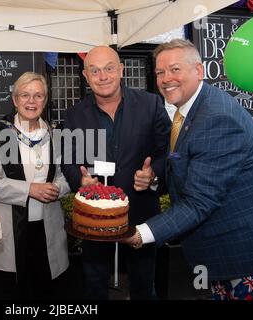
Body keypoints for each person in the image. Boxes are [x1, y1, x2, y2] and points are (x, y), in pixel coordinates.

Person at [125, 39, 253, 300]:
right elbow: (188, 169)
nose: (165, 79)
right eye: (160, 72)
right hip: (222, 254)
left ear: (199, 71)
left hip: (248, 258)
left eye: (174, 69)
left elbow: (199, 201)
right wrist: (153, 180)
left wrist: (139, 234)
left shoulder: (217, 117)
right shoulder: (187, 110)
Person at [61, 46, 171, 300]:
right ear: (85, 76)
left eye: (109, 68)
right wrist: (81, 181)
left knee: (144, 287)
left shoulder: (151, 104)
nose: (103, 76)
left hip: (141, 215)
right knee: (94, 285)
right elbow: (67, 161)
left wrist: (153, 174)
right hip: (94, 219)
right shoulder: (74, 115)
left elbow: (170, 154)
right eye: (95, 70)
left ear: (121, 70)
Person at [0, 72, 70, 300]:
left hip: (47, 231)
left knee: (47, 293)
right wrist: (30, 189)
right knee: (12, 293)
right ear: (15, 100)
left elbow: (65, 176)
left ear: (45, 100)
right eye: (25, 95)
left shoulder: (56, 135)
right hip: (11, 231)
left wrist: (58, 188)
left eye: (38, 95)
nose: (31, 101)